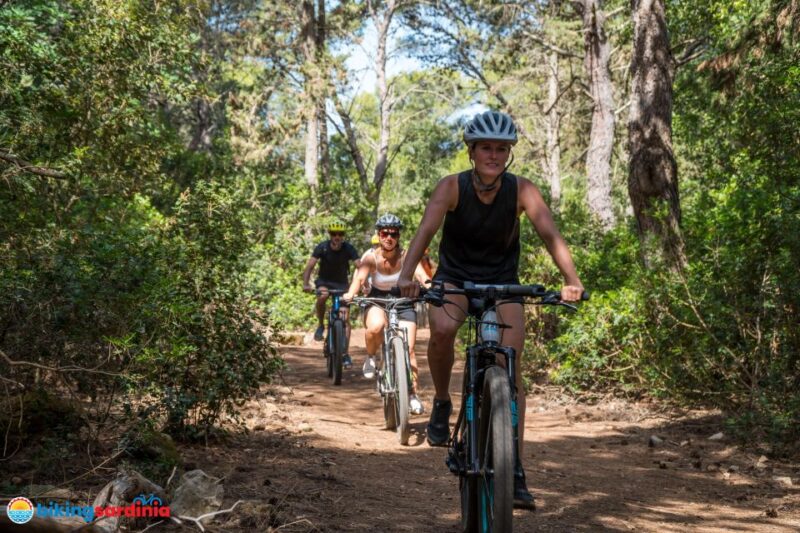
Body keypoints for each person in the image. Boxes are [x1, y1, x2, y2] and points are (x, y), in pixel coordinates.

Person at [397, 110, 584, 510]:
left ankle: (514, 466)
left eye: (502, 149)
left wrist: (572, 280)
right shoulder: (452, 187)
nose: (494, 155)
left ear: (509, 153)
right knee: (444, 329)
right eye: (486, 148)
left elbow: (551, 234)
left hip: (502, 281)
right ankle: (445, 400)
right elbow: (425, 231)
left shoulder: (522, 191)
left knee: (509, 364)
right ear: (472, 151)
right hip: (455, 278)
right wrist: (406, 275)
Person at [343, 214, 429, 415]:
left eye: (393, 233)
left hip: (403, 302)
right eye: (384, 233)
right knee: (376, 327)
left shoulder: (407, 256)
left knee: (409, 349)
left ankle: (412, 395)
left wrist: (431, 288)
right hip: (377, 301)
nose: (389, 237)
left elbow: (422, 276)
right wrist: (350, 293)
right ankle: (371, 356)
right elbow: (360, 278)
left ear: (398, 236)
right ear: (378, 235)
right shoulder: (370, 257)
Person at [302, 221, 361, 367]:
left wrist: (364, 283)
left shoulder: (349, 248)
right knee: (322, 295)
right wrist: (306, 283)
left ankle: (345, 354)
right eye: (334, 234)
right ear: (330, 235)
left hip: (342, 285)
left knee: (345, 318)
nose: (337, 237)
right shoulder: (322, 247)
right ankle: (321, 325)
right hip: (324, 282)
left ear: (343, 236)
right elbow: (310, 266)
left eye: (340, 234)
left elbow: (360, 266)